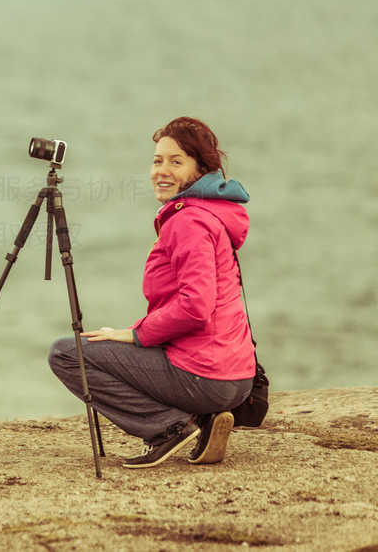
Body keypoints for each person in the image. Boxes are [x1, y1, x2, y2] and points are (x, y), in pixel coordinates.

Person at [48, 117, 256, 468]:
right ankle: (204, 421)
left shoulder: (188, 221)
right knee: (112, 345)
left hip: (207, 377)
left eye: (176, 162)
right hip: (237, 375)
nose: (162, 170)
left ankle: (169, 428)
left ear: (201, 170)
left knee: (67, 355)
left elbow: (195, 307)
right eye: (158, 160)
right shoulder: (211, 213)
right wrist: (135, 335)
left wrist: (136, 334)